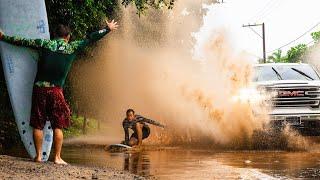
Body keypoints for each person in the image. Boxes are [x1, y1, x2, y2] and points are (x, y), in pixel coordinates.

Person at [0, 20, 118, 164]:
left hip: (39, 89)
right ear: (68, 37)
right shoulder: (71, 47)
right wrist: (107, 29)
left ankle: (38, 156)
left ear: (54, 35)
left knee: (37, 124)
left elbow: (23, 41)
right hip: (56, 91)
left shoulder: (45, 44)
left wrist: (3, 37)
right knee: (58, 125)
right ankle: (57, 157)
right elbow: (91, 38)